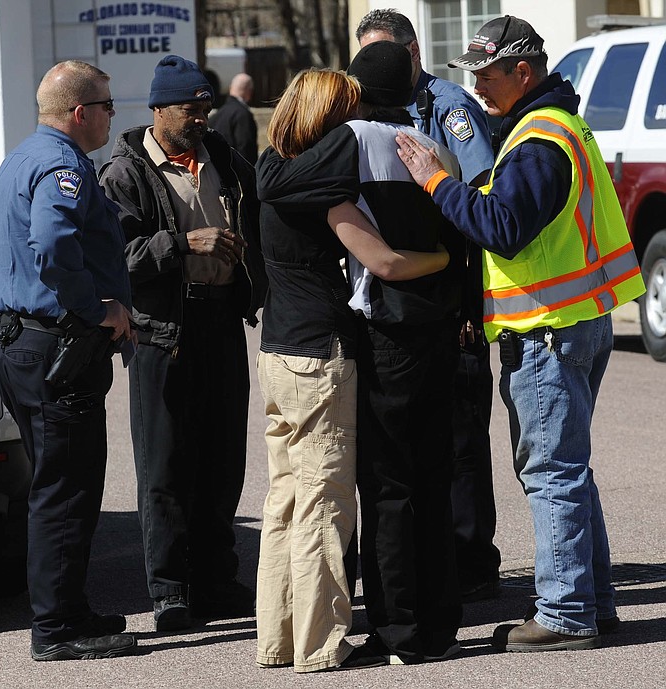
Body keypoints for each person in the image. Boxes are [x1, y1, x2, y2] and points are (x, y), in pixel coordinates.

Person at [396, 15, 645, 652]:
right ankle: (592, 603)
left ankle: (564, 615)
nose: (477, 88)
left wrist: (436, 182)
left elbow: (503, 226)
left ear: (522, 73)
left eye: (485, 75)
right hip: (574, 319)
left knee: (552, 472)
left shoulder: (537, 138)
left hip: (548, 329)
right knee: (570, 470)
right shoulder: (556, 124)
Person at [257, 42, 465, 666]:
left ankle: (392, 629)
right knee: (435, 478)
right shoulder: (435, 148)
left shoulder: (353, 142)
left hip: (381, 331)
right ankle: (440, 622)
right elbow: (458, 225)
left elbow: (276, 182)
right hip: (438, 327)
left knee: (382, 488)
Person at [98, 55, 267, 633]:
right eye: (190, 111)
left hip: (221, 323)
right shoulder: (125, 173)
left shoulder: (222, 157)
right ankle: (169, 590)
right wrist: (181, 242)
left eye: (205, 110)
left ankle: (217, 580)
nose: (200, 120)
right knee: (165, 464)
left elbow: (262, 214)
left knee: (222, 459)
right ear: (158, 109)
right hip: (162, 333)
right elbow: (116, 261)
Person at [0, 60, 138, 661]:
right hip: (55, 344)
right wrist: (94, 309)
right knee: (65, 491)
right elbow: (52, 243)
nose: (110, 116)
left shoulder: (22, 156)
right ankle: (56, 628)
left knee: (59, 484)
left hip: (23, 343)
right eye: (106, 106)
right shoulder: (62, 164)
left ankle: (69, 609)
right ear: (81, 113)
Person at [356, 8, 502, 602]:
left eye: (387, 54)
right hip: (398, 305)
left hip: (450, 297)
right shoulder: (364, 109)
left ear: (414, 52)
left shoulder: (450, 108)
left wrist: (469, 306)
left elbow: (473, 207)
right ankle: (430, 562)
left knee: (462, 438)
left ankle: (471, 561)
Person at [209, 72, 259, 164]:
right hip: (236, 173)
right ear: (250, 92)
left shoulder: (216, 115)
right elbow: (246, 148)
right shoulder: (243, 114)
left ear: (230, 88)